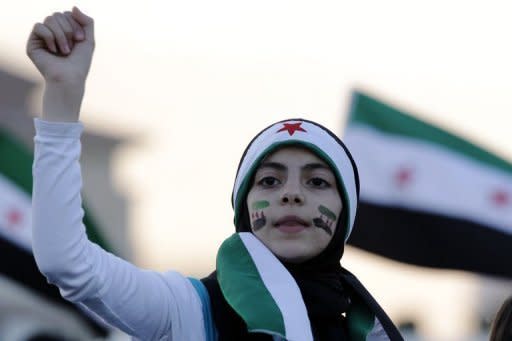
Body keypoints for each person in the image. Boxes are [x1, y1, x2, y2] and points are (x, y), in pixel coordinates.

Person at [27, 7, 403, 341]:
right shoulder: (188, 310)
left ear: (345, 213)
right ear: (243, 209)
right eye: (269, 180)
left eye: (317, 181)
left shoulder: (367, 330)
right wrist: (63, 91)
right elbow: (66, 260)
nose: (292, 194)